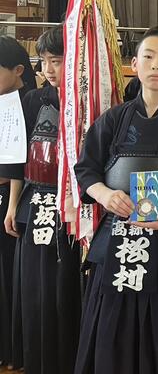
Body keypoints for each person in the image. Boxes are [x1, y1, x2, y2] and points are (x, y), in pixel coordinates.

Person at [73, 27, 158, 374]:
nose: (156, 65)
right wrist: (105, 195)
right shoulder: (114, 119)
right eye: (148, 56)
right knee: (110, 328)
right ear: (134, 64)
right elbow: (86, 170)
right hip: (117, 237)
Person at [4, 26, 82, 374]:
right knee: (34, 286)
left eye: (57, 60)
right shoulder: (32, 100)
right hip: (34, 202)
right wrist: (12, 205)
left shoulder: (87, 102)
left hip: (71, 207)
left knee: (62, 286)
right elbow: (18, 158)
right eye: (44, 61)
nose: (49, 69)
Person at [0, 36, 37, 369]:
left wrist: (11, 203)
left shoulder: (29, 104)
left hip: (17, 199)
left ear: (18, 71)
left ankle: (14, 348)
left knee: (12, 276)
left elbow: (17, 165)